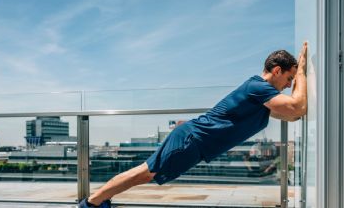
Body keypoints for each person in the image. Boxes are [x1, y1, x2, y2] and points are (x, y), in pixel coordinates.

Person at [78, 42, 308, 208]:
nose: (289, 85)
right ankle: (91, 204)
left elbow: (294, 115)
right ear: (277, 70)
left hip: (193, 143)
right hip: (191, 140)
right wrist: (304, 75)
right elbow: (296, 106)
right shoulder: (258, 88)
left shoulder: (262, 97)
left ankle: (97, 202)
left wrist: (298, 81)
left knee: (144, 173)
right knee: (144, 173)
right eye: (289, 78)